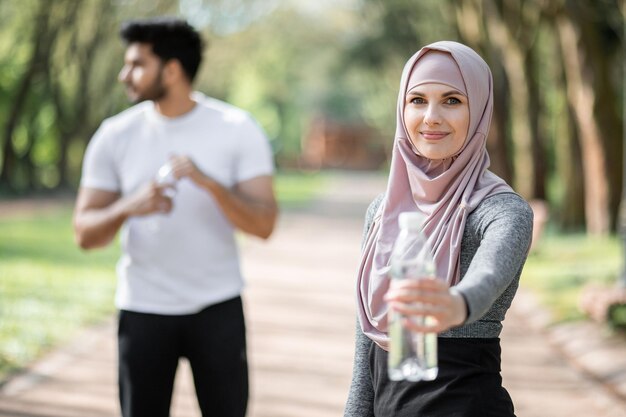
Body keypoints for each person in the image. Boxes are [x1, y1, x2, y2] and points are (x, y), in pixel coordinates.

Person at [73, 17, 277, 417]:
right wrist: (129, 205)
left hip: (217, 308)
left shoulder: (236, 128)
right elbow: (84, 235)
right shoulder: (114, 135)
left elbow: (265, 225)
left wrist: (210, 184)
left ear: (171, 69)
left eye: (136, 64)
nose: (123, 74)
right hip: (143, 308)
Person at [344, 41, 533, 417]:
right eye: (417, 100)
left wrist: (455, 303)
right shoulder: (382, 211)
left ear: (478, 109)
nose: (431, 116)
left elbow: (488, 275)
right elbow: (364, 350)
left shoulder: (501, 210)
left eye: (451, 100)